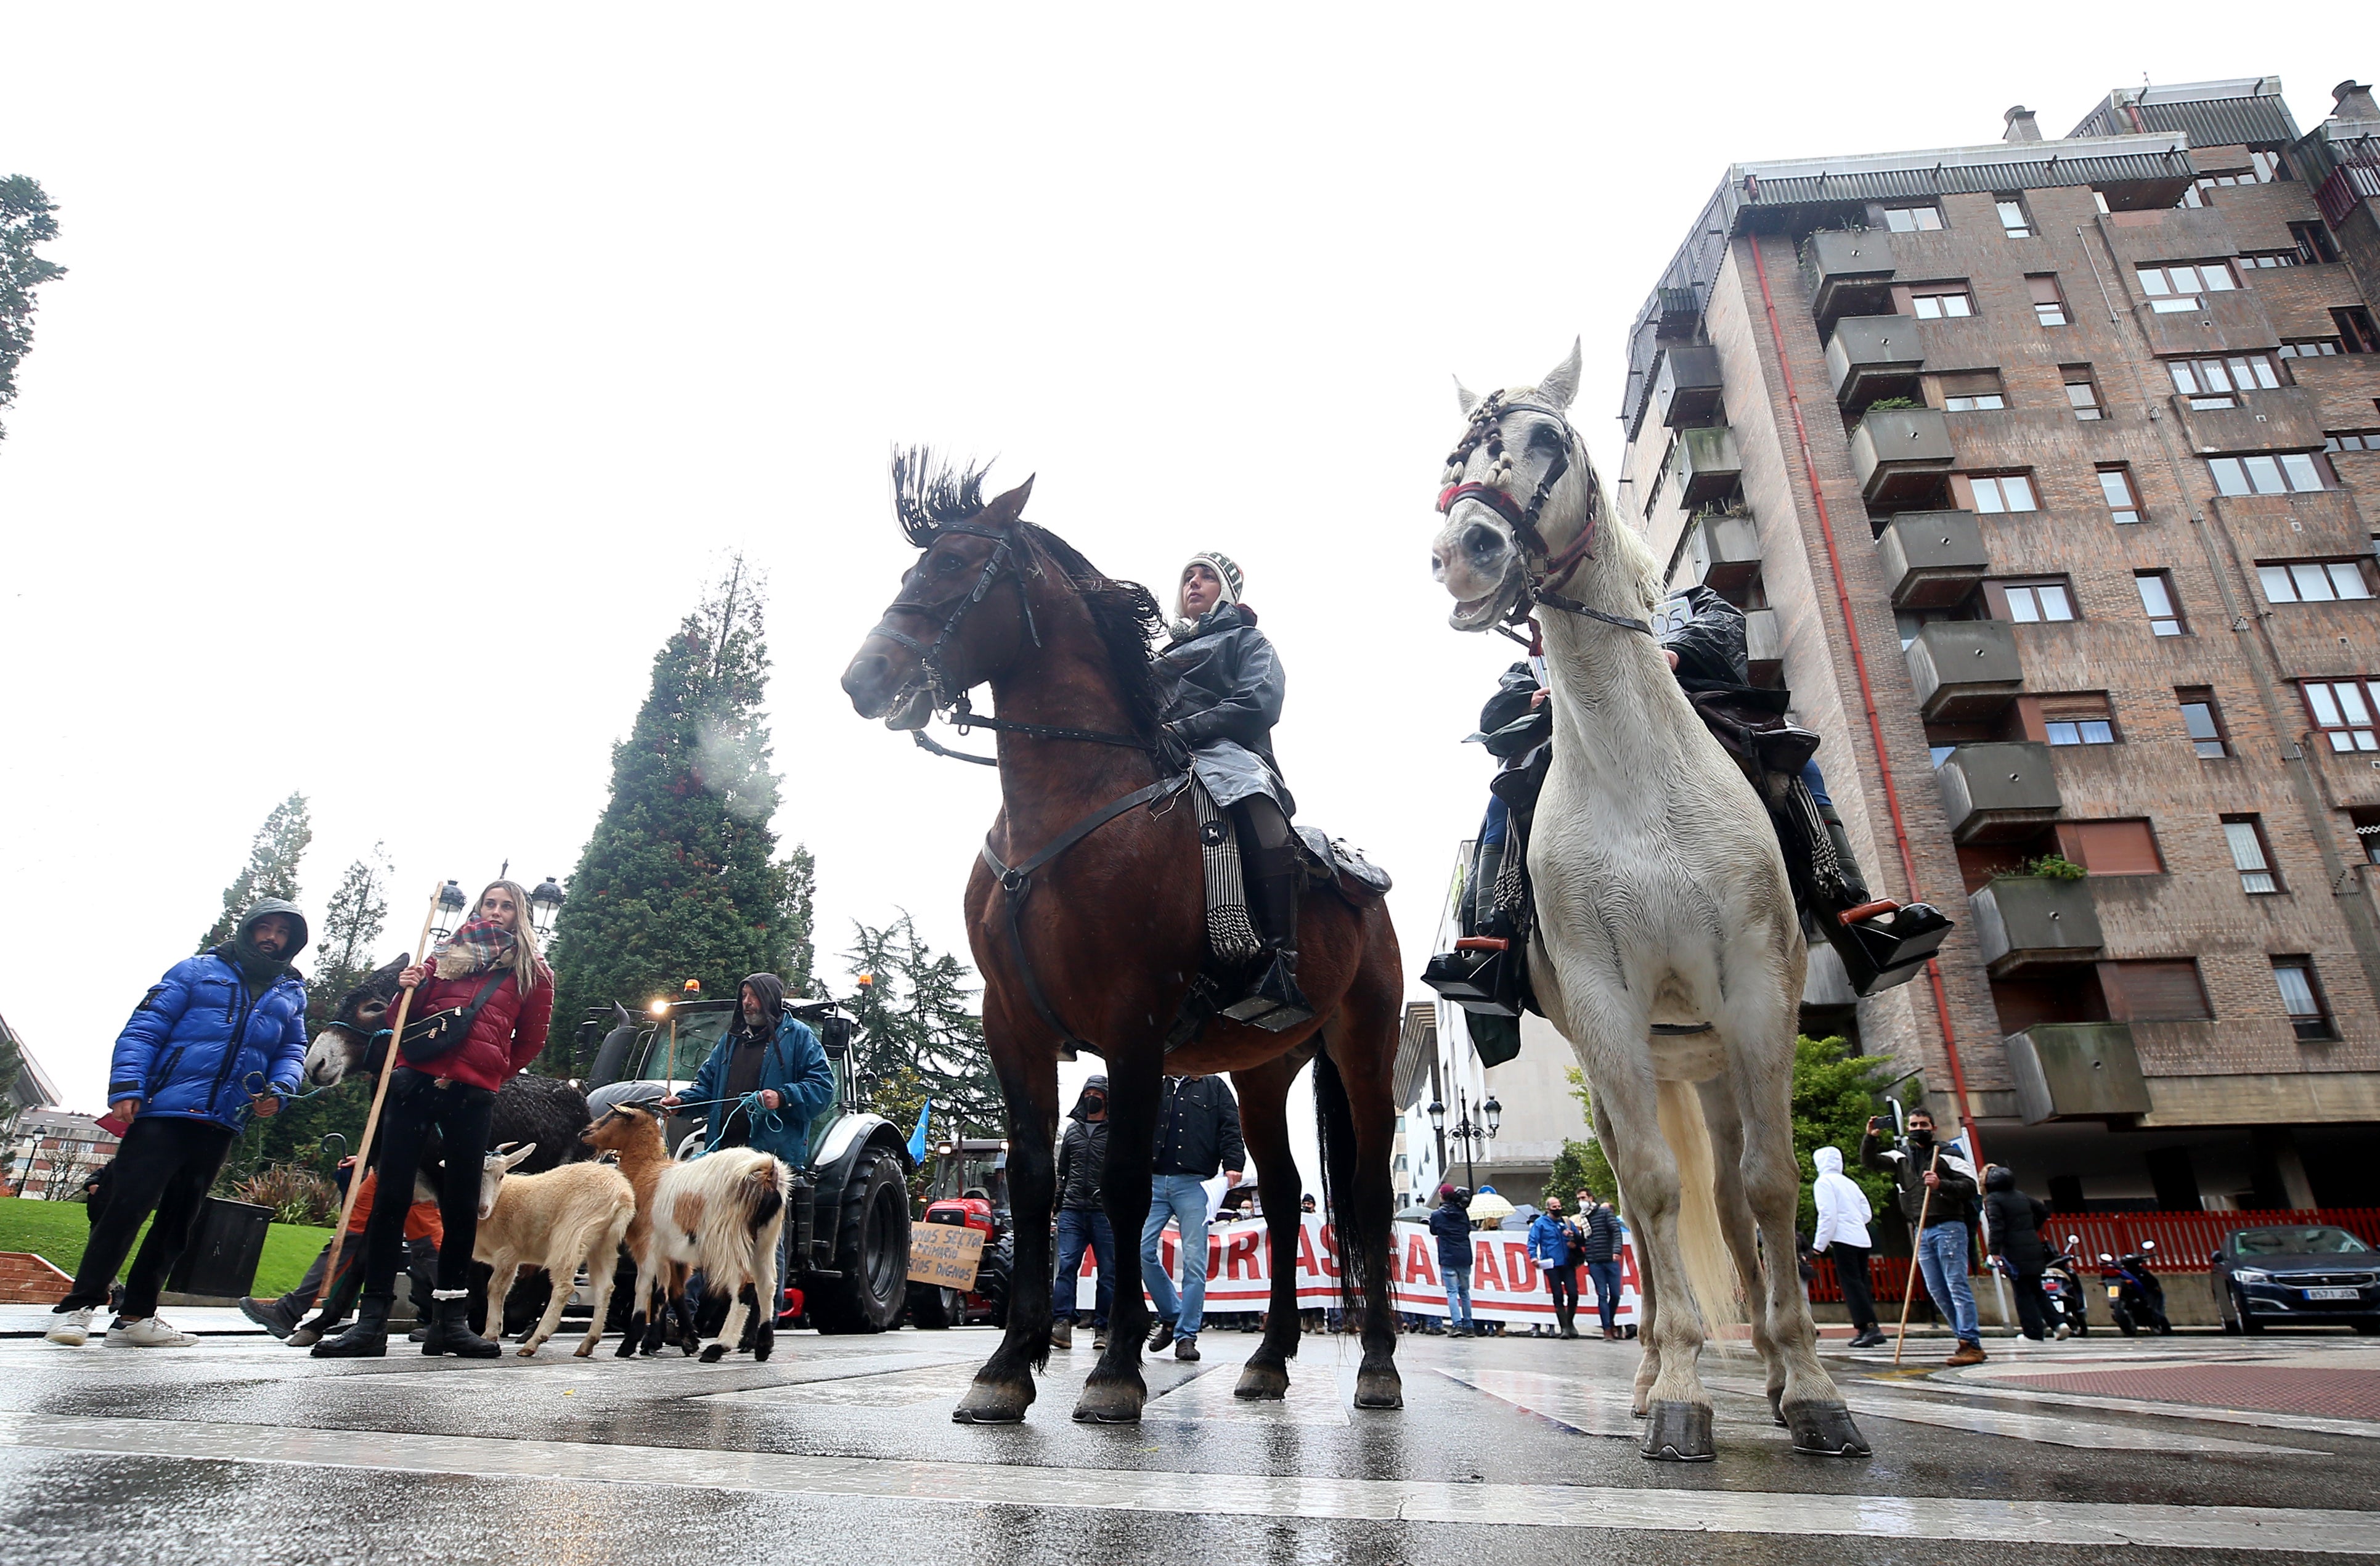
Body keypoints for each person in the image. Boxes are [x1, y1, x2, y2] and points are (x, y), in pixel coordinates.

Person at [47, 902, 310, 1348]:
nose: (272, 937)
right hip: (164, 1111)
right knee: (124, 1209)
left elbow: (292, 1049)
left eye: (282, 931)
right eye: (264, 927)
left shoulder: (292, 994)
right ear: (247, 930)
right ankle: (78, 1307)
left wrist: (281, 1088)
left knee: (178, 1221)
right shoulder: (195, 970)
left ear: (293, 940)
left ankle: (136, 1316)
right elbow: (146, 1027)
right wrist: (128, 1084)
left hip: (222, 1120)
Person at [314, 880, 554, 1360]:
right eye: (490, 903)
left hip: (473, 1092)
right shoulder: (443, 955)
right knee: (391, 1195)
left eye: (507, 906)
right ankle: (372, 1322)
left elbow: (531, 1039)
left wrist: (492, 1074)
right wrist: (408, 989)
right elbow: (406, 1020)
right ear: (478, 907)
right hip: (415, 1081)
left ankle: (450, 1321)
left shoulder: (534, 971)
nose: (497, 911)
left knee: (462, 1204)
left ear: (520, 915)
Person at [1158, 552, 1310, 1030]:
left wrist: (1184, 730)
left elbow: (1259, 700)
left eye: (1207, 576)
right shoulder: (1154, 661)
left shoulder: (1248, 640)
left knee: (1252, 796)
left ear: (1225, 590)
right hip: (1157, 758)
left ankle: (1277, 960)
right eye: (1188, 577)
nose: (1195, 583)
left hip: (1228, 754)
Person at [662, 973, 834, 1160]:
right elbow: (707, 1087)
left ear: (770, 999)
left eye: (754, 995)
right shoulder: (730, 1040)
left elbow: (822, 1088)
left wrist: (783, 1097)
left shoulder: (799, 1036)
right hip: (722, 1158)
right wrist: (683, 1103)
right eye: (744, 996)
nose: (747, 1002)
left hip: (771, 1162)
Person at [1862, 1108, 1984, 1367]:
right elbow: (1870, 1162)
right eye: (1914, 1124)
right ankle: (1963, 1339)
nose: (1919, 1128)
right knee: (1938, 1290)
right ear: (1908, 1129)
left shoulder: (1948, 1153)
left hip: (1949, 1225)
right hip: (1921, 1227)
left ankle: (1971, 1343)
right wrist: (1871, 1137)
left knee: (1956, 1285)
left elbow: (1970, 1187)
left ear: (1934, 1127)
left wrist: (1941, 1185)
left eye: (1924, 1124)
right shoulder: (1902, 1156)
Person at [1141, 1072, 1245, 1363]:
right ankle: (1172, 1315)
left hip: (1195, 1183)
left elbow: (1230, 1125)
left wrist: (1233, 1163)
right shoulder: (1155, 1084)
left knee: (1195, 1260)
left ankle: (1186, 1335)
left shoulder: (1214, 1086)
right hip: (1154, 1181)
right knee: (1141, 1251)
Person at [1051, 1075, 1114, 1352]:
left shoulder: (1115, 1130)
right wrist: (1058, 1202)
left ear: (1106, 1098)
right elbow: (1062, 1170)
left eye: (1098, 1093)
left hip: (1105, 1213)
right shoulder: (1073, 1131)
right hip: (1072, 1211)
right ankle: (1061, 1323)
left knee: (1109, 1272)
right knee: (1066, 1268)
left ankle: (1104, 1328)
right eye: (1089, 1092)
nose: (1092, 1097)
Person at [1811, 1146, 1884, 1348]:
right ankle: (1868, 1326)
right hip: (1862, 1238)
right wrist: (1854, 1221)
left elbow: (1828, 1215)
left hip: (1843, 1239)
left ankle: (1869, 1328)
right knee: (1862, 1284)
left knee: (1851, 1285)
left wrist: (1819, 1246)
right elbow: (1867, 1213)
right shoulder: (1850, 1183)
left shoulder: (1824, 1183)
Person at [1982, 1164, 2055, 1342]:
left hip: (2014, 1250)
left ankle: (2033, 1332)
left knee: (2022, 1293)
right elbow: (2043, 1211)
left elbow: (1997, 1227)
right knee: (2038, 1290)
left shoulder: (1993, 1199)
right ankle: (2059, 1323)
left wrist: (1994, 1252)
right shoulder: (2022, 1196)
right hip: (2033, 1247)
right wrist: (2031, 1228)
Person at [1574, 1188, 1624, 1340]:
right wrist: (1575, 1238)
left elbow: (1616, 1231)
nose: (1581, 1201)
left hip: (1610, 1259)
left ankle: (1610, 1320)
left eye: (1583, 1197)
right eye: (1579, 1198)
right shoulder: (1583, 1218)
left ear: (1590, 1198)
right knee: (1602, 1294)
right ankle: (1607, 1329)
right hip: (1595, 1261)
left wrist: (1616, 1251)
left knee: (1615, 1295)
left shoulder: (1604, 1213)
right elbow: (1586, 1239)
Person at [1528, 1194, 1580, 1338]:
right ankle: (1564, 1327)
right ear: (1548, 1209)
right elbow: (1533, 1241)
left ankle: (1570, 1323)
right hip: (1551, 1263)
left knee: (1573, 1293)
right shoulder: (1540, 1223)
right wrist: (1533, 1256)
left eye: (1559, 1206)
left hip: (1568, 1262)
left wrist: (1573, 1238)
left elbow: (1579, 1239)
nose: (1557, 1209)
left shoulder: (1566, 1222)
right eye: (1554, 1207)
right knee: (1557, 1295)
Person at [1430, 1184, 1477, 1336]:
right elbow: (1468, 1230)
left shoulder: (1437, 1215)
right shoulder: (1463, 1214)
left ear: (1442, 1196)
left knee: (1452, 1292)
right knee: (1465, 1292)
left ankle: (1457, 1325)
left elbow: (1433, 1231)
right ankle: (1469, 1325)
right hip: (1464, 1256)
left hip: (1448, 1256)